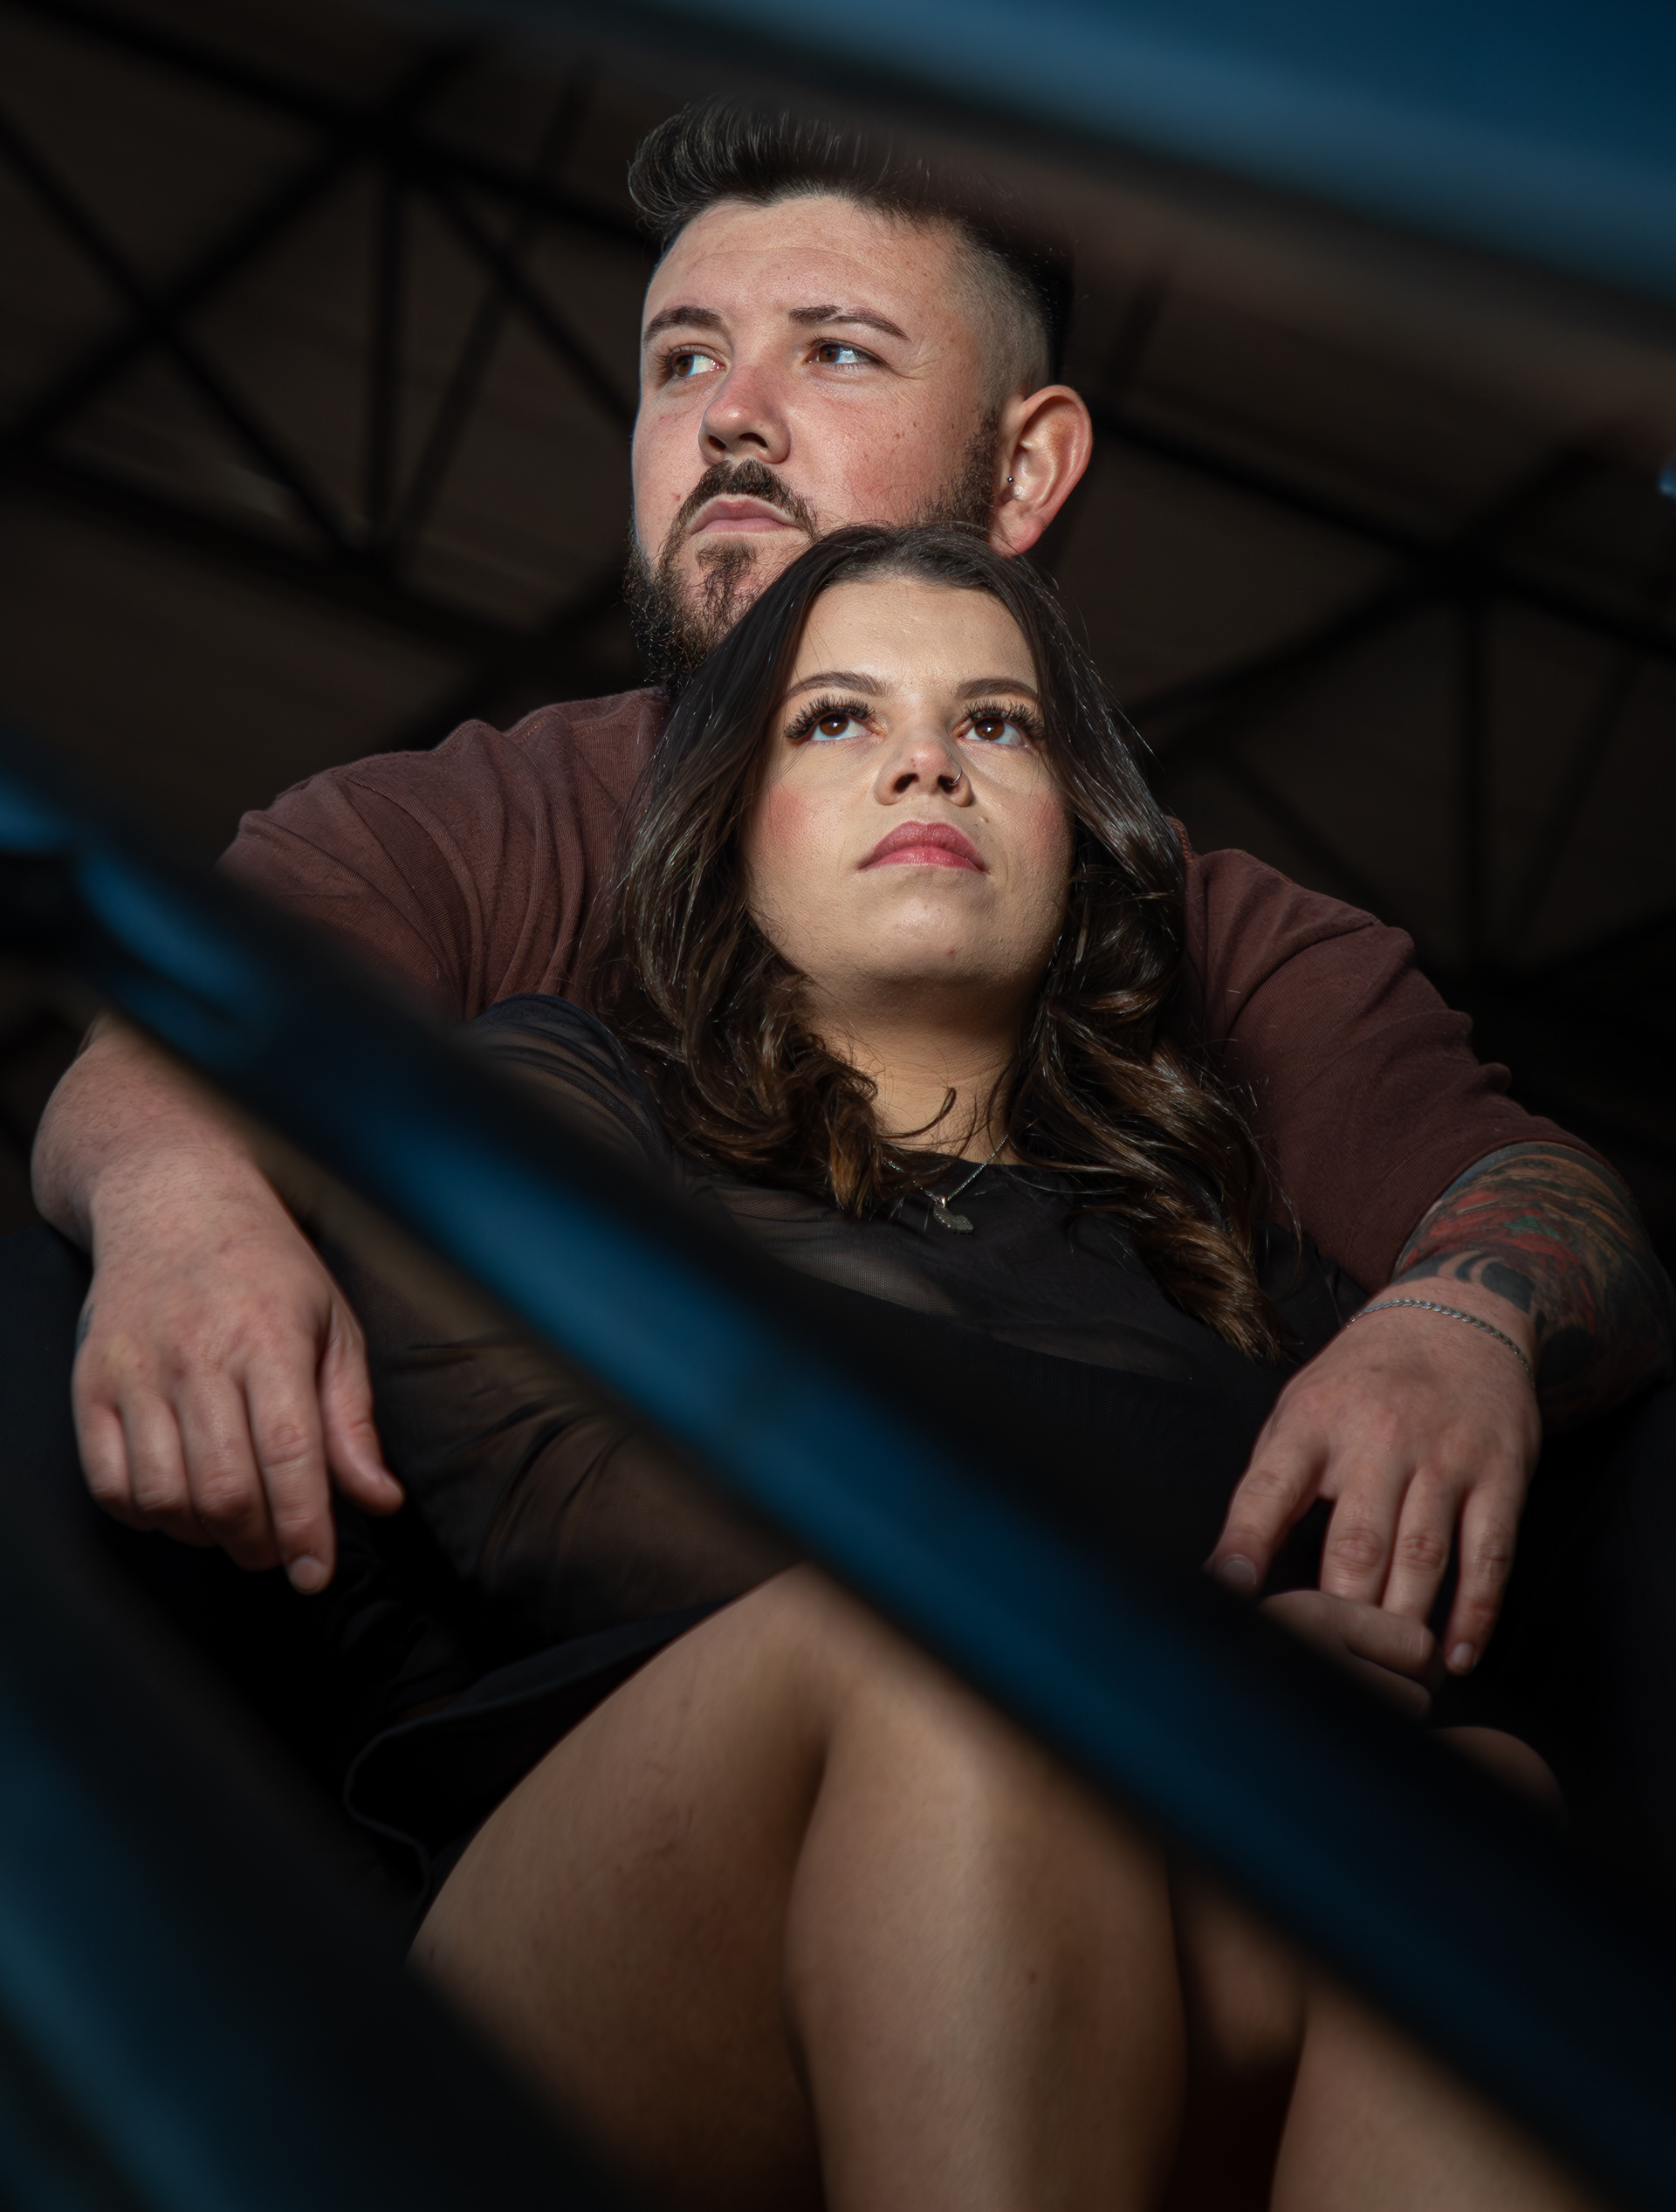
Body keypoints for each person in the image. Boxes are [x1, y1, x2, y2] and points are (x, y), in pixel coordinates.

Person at [31, 102, 1666, 1693]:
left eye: (836, 350)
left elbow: (1535, 1191)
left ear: (1025, 467)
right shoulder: (464, 820)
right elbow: (172, 1043)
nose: (732, 417)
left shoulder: (1216, 935)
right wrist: (182, 1212)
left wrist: (1458, 1322)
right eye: (683, 359)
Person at [304, 523, 1611, 2212]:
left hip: (1162, 1909)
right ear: (730, 823)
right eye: (835, 718)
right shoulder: (563, 1086)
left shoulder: (1225, 1249)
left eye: (998, 722)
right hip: (604, 1925)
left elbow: (1371, 1625)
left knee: (1476, 1805)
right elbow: (551, 1486)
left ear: (1078, 829)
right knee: (967, 1667)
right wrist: (1160, 1651)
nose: (929, 757)